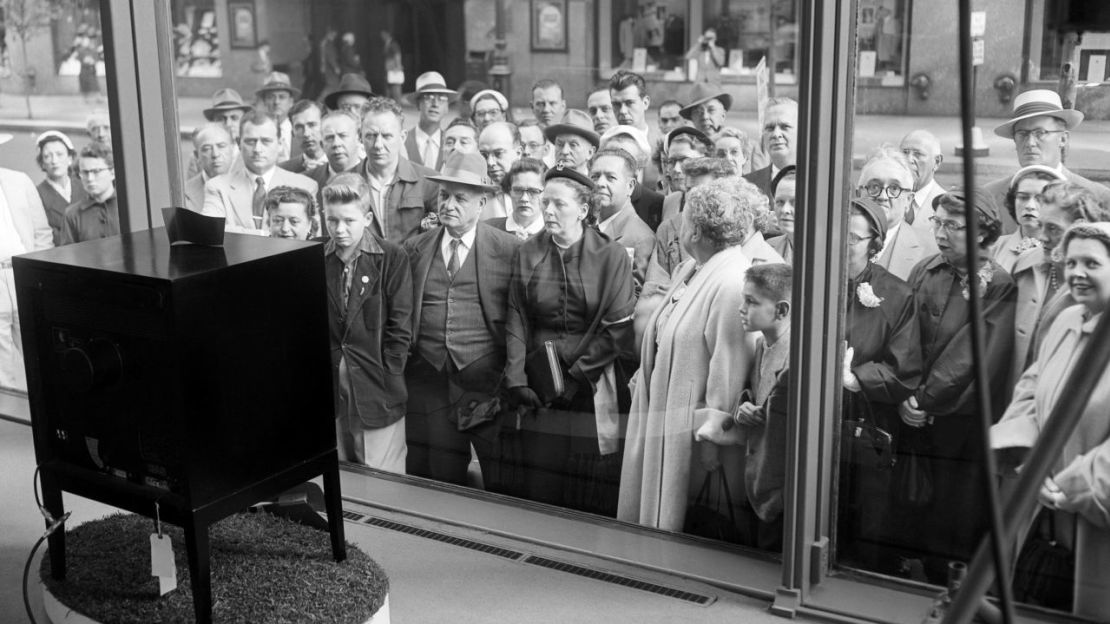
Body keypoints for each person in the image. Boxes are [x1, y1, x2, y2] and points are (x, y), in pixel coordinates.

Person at [619, 178, 758, 534]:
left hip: (692, 440)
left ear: (695, 230)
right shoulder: (689, 269)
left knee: (681, 524)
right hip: (662, 416)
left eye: (684, 217)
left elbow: (728, 370)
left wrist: (710, 440)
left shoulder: (731, 283)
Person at [991, 221, 1110, 619]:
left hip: (1094, 521)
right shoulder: (1066, 320)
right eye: (1071, 261)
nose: (1076, 272)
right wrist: (1030, 461)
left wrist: (1071, 486)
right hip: (1043, 514)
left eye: (1091, 263)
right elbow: (1031, 388)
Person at [901, 188, 1016, 584]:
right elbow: (904, 331)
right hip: (913, 406)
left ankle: (946, 582)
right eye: (939, 223)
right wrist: (905, 391)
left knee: (955, 503)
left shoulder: (998, 283)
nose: (942, 232)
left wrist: (923, 398)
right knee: (913, 494)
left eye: (954, 225)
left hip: (959, 417)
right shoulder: (925, 269)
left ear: (983, 233)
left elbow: (974, 355)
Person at [506, 166, 635, 515]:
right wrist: (517, 378)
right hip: (540, 388)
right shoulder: (527, 252)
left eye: (557, 204)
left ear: (583, 209)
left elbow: (619, 330)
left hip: (590, 389)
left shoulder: (611, 256)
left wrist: (576, 377)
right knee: (539, 488)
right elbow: (516, 316)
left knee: (587, 491)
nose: (546, 210)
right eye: (542, 201)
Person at [402, 152, 520, 489]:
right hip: (431, 379)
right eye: (444, 195)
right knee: (437, 479)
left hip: (486, 382)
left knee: (499, 480)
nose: (449, 204)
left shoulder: (509, 250)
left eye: (460, 198)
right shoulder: (415, 248)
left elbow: (518, 318)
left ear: (481, 203)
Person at [836, 197, 923, 574]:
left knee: (868, 519)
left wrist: (857, 378)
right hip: (813, 417)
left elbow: (906, 369)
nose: (842, 245)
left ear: (875, 243)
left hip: (867, 421)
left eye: (852, 239)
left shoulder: (897, 294)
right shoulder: (809, 279)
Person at [322, 173, 413, 472]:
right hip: (333, 384)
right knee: (339, 470)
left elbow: (400, 327)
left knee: (381, 474)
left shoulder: (391, 257)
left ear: (368, 217)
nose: (339, 229)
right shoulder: (316, 257)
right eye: (332, 220)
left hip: (377, 385)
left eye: (348, 220)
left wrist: (390, 373)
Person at [1010, 182, 1109, 386]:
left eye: (1053, 229)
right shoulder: (1024, 265)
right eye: (1040, 225)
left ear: (1080, 228)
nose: (1042, 237)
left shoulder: (1099, 286)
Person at [730, 263, 794, 551]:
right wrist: (744, 405)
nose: (742, 308)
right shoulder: (761, 345)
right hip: (758, 486)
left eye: (751, 302)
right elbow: (756, 395)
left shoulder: (796, 360)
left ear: (781, 311)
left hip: (780, 497)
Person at [985, 89, 1110, 235]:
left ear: (1063, 139)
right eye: (1022, 134)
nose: (1030, 143)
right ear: (1014, 140)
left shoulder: (1098, 198)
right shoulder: (990, 196)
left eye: (1040, 133)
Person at [202, 111, 318, 235]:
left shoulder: (304, 186)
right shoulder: (217, 187)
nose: (258, 149)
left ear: (279, 144)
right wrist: (265, 235)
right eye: (251, 141)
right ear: (238, 144)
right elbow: (210, 231)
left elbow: (313, 236)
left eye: (266, 141)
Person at [0, 154, 53, 391]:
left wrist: (38, 274)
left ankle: (47, 412)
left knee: (40, 350)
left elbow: (42, 233)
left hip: (22, 272)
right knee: (2, 367)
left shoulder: (19, 181)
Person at [357, 98, 439, 244]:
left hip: (411, 265)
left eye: (387, 136)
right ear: (360, 137)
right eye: (371, 136)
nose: (378, 145)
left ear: (402, 137)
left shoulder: (430, 181)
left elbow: (439, 239)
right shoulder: (346, 182)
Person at [860, 146, 939, 280]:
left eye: (894, 188)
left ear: (908, 200)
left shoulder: (932, 253)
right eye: (874, 187)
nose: (883, 196)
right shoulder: (833, 242)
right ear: (859, 193)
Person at [589, 147, 655, 292]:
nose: (600, 183)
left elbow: (634, 296)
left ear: (630, 186)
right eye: (594, 176)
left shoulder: (641, 239)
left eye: (611, 177)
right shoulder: (583, 225)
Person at [992, 165, 1065, 273]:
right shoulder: (993, 248)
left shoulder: (1065, 252)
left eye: (1040, 199)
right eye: (1023, 197)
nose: (1029, 206)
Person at [599, 125, 664, 231]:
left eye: (626, 158)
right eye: (610, 155)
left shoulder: (656, 204)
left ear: (639, 165)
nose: (616, 162)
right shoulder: (588, 196)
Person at [609, 70, 661, 189]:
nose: (622, 111)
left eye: (629, 103)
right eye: (616, 104)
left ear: (645, 103)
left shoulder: (660, 145)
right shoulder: (606, 144)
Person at [34, 131, 85, 246]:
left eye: (59, 154)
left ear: (70, 158)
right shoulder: (37, 195)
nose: (54, 161)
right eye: (47, 156)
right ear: (42, 163)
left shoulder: (85, 187)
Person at [62, 143, 119, 244]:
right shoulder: (72, 214)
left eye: (96, 171)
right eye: (85, 172)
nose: (90, 178)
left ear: (112, 173)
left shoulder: (129, 208)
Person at [744, 98, 797, 201]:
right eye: (770, 128)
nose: (776, 134)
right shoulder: (746, 185)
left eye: (785, 126)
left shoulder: (819, 182)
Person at [403, 72, 457, 170]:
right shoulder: (402, 141)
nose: (435, 104)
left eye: (442, 98)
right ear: (418, 104)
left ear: (447, 107)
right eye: (428, 98)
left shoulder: (454, 145)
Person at [899, 130, 946, 239]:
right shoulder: (885, 199)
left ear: (937, 162)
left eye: (917, 154)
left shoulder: (946, 204)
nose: (908, 159)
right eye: (905, 152)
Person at [487, 158, 546, 240]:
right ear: (509, 190)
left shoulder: (554, 235)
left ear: (545, 194)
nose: (524, 198)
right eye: (518, 190)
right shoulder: (489, 229)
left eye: (533, 191)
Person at [184, 124, 235, 214]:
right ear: (197, 156)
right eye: (207, 149)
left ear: (232, 149)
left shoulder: (251, 184)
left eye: (221, 146)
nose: (215, 154)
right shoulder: (185, 194)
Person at [477, 121, 522, 219]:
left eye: (498, 154)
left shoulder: (539, 193)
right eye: (484, 155)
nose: (490, 162)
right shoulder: (475, 198)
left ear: (518, 153)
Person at [255, 72, 300, 162]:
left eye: (282, 97)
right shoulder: (256, 133)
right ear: (264, 101)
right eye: (271, 97)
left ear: (291, 102)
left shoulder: (300, 131)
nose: (276, 102)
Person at [544, 110, 598, 176]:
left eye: (573, 145)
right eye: (560, 144)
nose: (564, 151)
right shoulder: (544, 182)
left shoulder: (597, 184)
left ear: (590, 152)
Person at [279, 99, 327, 174]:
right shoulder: (283, 171)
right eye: (299, 127)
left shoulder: (344, 166)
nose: (306, 133)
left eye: (312, 125)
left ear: (324, 126)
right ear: (292, 132)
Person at [767, 167, 795, 263]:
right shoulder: (767, 250)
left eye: (795, 203)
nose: (785, 210)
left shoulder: (836, 253)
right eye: (780, 202)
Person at [381, 30, 403, 102]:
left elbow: (397, 55)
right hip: (388, 69)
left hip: (393, 69)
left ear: (388, 35)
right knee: (388, 89)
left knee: (395, 88)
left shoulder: (393, 44)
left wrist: (397, 66)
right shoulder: (387, 44)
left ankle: (398, 106)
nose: (382, 36)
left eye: (383, 34)